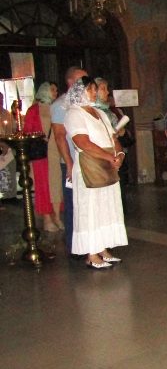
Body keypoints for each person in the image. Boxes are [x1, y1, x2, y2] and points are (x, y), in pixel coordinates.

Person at [64, 76, 127, 269]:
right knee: (90, 209)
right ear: (80, 92)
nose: (94, 93)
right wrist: (108, 157)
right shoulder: (74, 113)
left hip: (107, 164)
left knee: (106, 207)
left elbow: (113, 138)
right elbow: (82, 142)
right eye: (90, 89)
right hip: (89, 165)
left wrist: (119, 155)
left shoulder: (100, 112)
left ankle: (103, 248)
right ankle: (91, 253)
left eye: (94, 89)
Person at [51, 66, 87, 257]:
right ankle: (74, 246)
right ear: (71, 82)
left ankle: (91, 243)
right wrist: (69, 162)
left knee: (88, 204)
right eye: (82, 80)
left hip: (88, 161)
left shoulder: (86, 102)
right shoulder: (60, 105)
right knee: (73, 204)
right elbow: (59, 136)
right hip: (72, 160)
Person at [24, 81, 62, 231]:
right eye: (53, 90)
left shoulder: (57, 107)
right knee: (43, 186)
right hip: (41, 154)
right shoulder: (34, 110)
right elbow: (28, 131)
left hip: (56, 152)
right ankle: (47, 219)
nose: (55, 93)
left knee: (56, 185)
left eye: (56, 90)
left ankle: (57, 216)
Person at [0, 92, 17, 206]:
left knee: (10, 169)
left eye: (1, 99)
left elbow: (13, 129)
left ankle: (10, 195)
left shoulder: (7, 114)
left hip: (8, 146)